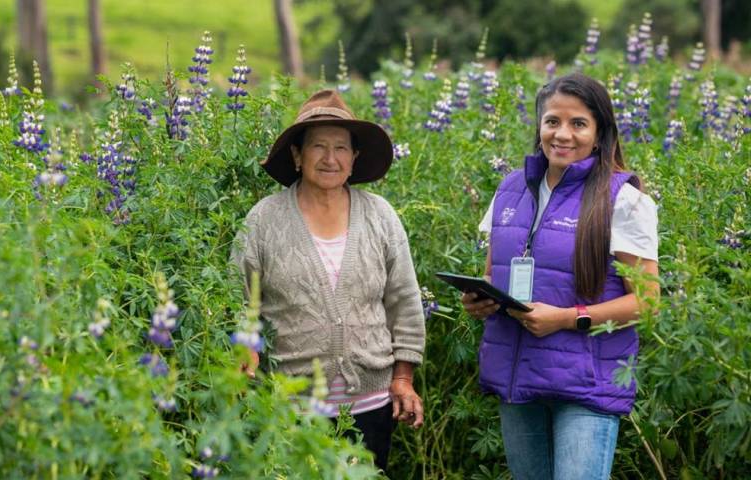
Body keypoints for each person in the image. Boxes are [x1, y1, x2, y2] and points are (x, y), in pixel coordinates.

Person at [462, 73, 659, 480]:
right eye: (552, 121)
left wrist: (566, 318)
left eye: (578, 124)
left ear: (600, 132)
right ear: (539, 126)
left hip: (585, 385)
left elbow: (647, 301)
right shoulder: (510, 189)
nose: (562, 134)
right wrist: (479, 301)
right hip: (517, 377)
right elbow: (492, 273)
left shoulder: (624, 199)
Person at [232, 89, 426, 473]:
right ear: (297, 155)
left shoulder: (380, 216)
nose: (330, 158)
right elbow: (239, 297)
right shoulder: (263, 220)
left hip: (370, 404)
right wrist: (245, 351)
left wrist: (403, 377)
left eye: (341, 147)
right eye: (318, 146)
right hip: (290, 403)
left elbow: (404, 301)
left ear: (354, 158)